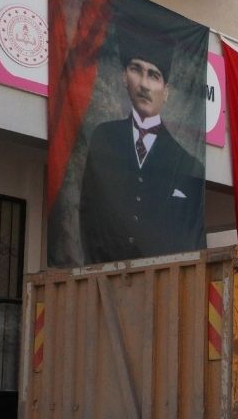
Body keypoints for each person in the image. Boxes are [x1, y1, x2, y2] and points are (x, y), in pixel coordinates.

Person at [78, 23, 205, 264]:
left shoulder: (188, 164)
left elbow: (188, 237)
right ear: (124, 76)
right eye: (137, 70)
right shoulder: (104, 137)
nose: (145, 85)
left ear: (165, 91)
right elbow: (89, 212)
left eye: (154, 75)